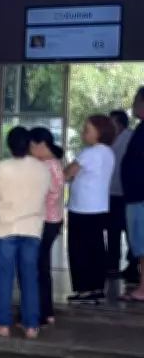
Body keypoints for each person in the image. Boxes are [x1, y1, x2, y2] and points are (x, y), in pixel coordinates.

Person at [0, 127, 51, 338]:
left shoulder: (0, 167)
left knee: (4, 278)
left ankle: (3, 325)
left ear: (9, 146)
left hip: (6, 229)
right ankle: (31, 326)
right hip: (32, 229)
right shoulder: (42, 169)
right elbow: (47, 192)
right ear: (30, 145)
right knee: (30, 277)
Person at [64, 115, 116, 304]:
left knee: (79, 249)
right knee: (96, 248)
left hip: (81, 208)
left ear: (99, 132)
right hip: (99, 207)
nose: (83, 133)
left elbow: (67, 173)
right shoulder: (108, 153)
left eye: (87, 129)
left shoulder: (89, 153)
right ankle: (97, 288)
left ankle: (84, 290)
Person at [28, 127, 65, 326]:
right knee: (42, 266)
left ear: (41, 144)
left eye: (31, 146)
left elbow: (39, 195)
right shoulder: (55, 163)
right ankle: (47, 311)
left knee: (38, 268)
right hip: (53, 220)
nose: (30, 151)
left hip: (44, 221)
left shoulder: (44, 167)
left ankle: (41, 313)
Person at [108, 110, 137, 284]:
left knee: (131, 231)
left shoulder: (131, 138)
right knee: (113, 231)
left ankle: (133, 265)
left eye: (112, 122)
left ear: (120, 123)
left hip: (127, 194)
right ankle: (112, 264)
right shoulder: (109, 140)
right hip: (112, 193)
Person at [121, 87, 144, 302]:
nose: (134, 106)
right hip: (136, 196)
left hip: (140, 197)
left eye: (136, 101)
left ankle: (143, 289)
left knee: (142, 245)